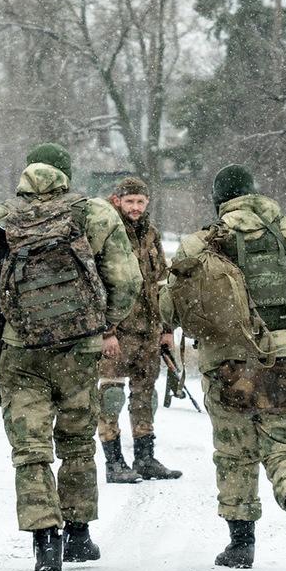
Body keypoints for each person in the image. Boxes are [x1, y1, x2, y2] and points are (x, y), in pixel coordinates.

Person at [0, 143, 142, 571]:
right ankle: (78, 535)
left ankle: (44, 539)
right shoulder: (94, 212)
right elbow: (127, 281)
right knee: (77, 439)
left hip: (20, 349)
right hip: (79, 349)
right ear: (67, 174)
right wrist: (99, 321)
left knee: (31, 447)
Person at [161, 164, 286, 571]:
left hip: (226, 364)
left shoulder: (201, 242)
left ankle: (240, 544)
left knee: (234, 452)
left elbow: (169, 307)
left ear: (219, 201)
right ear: (256, 192)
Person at [99, 176, 181, 483]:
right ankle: (114, 462)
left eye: (140, 201)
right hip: (117, 332)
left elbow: (162, 283)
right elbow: (98, 285)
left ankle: (145, 458)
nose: (135, 207)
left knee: (145, 394)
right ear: (117, 200)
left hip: (149, 329)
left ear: (147, 203)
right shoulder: (107, 230)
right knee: (111, 395)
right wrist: (107, 331)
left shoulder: (151, 232)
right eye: (129, 201)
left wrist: (167, 327)